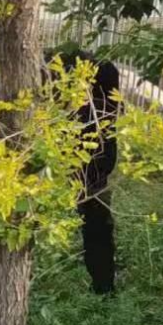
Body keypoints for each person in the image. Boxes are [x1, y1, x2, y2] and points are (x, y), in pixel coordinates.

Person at [43, 47, 120, 295]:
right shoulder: (105, 76)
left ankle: (104, 285)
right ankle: (104, 285)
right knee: (97, 224)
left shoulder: (102, 76)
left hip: (88, 163)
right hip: (92, 163)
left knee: (96, 223)